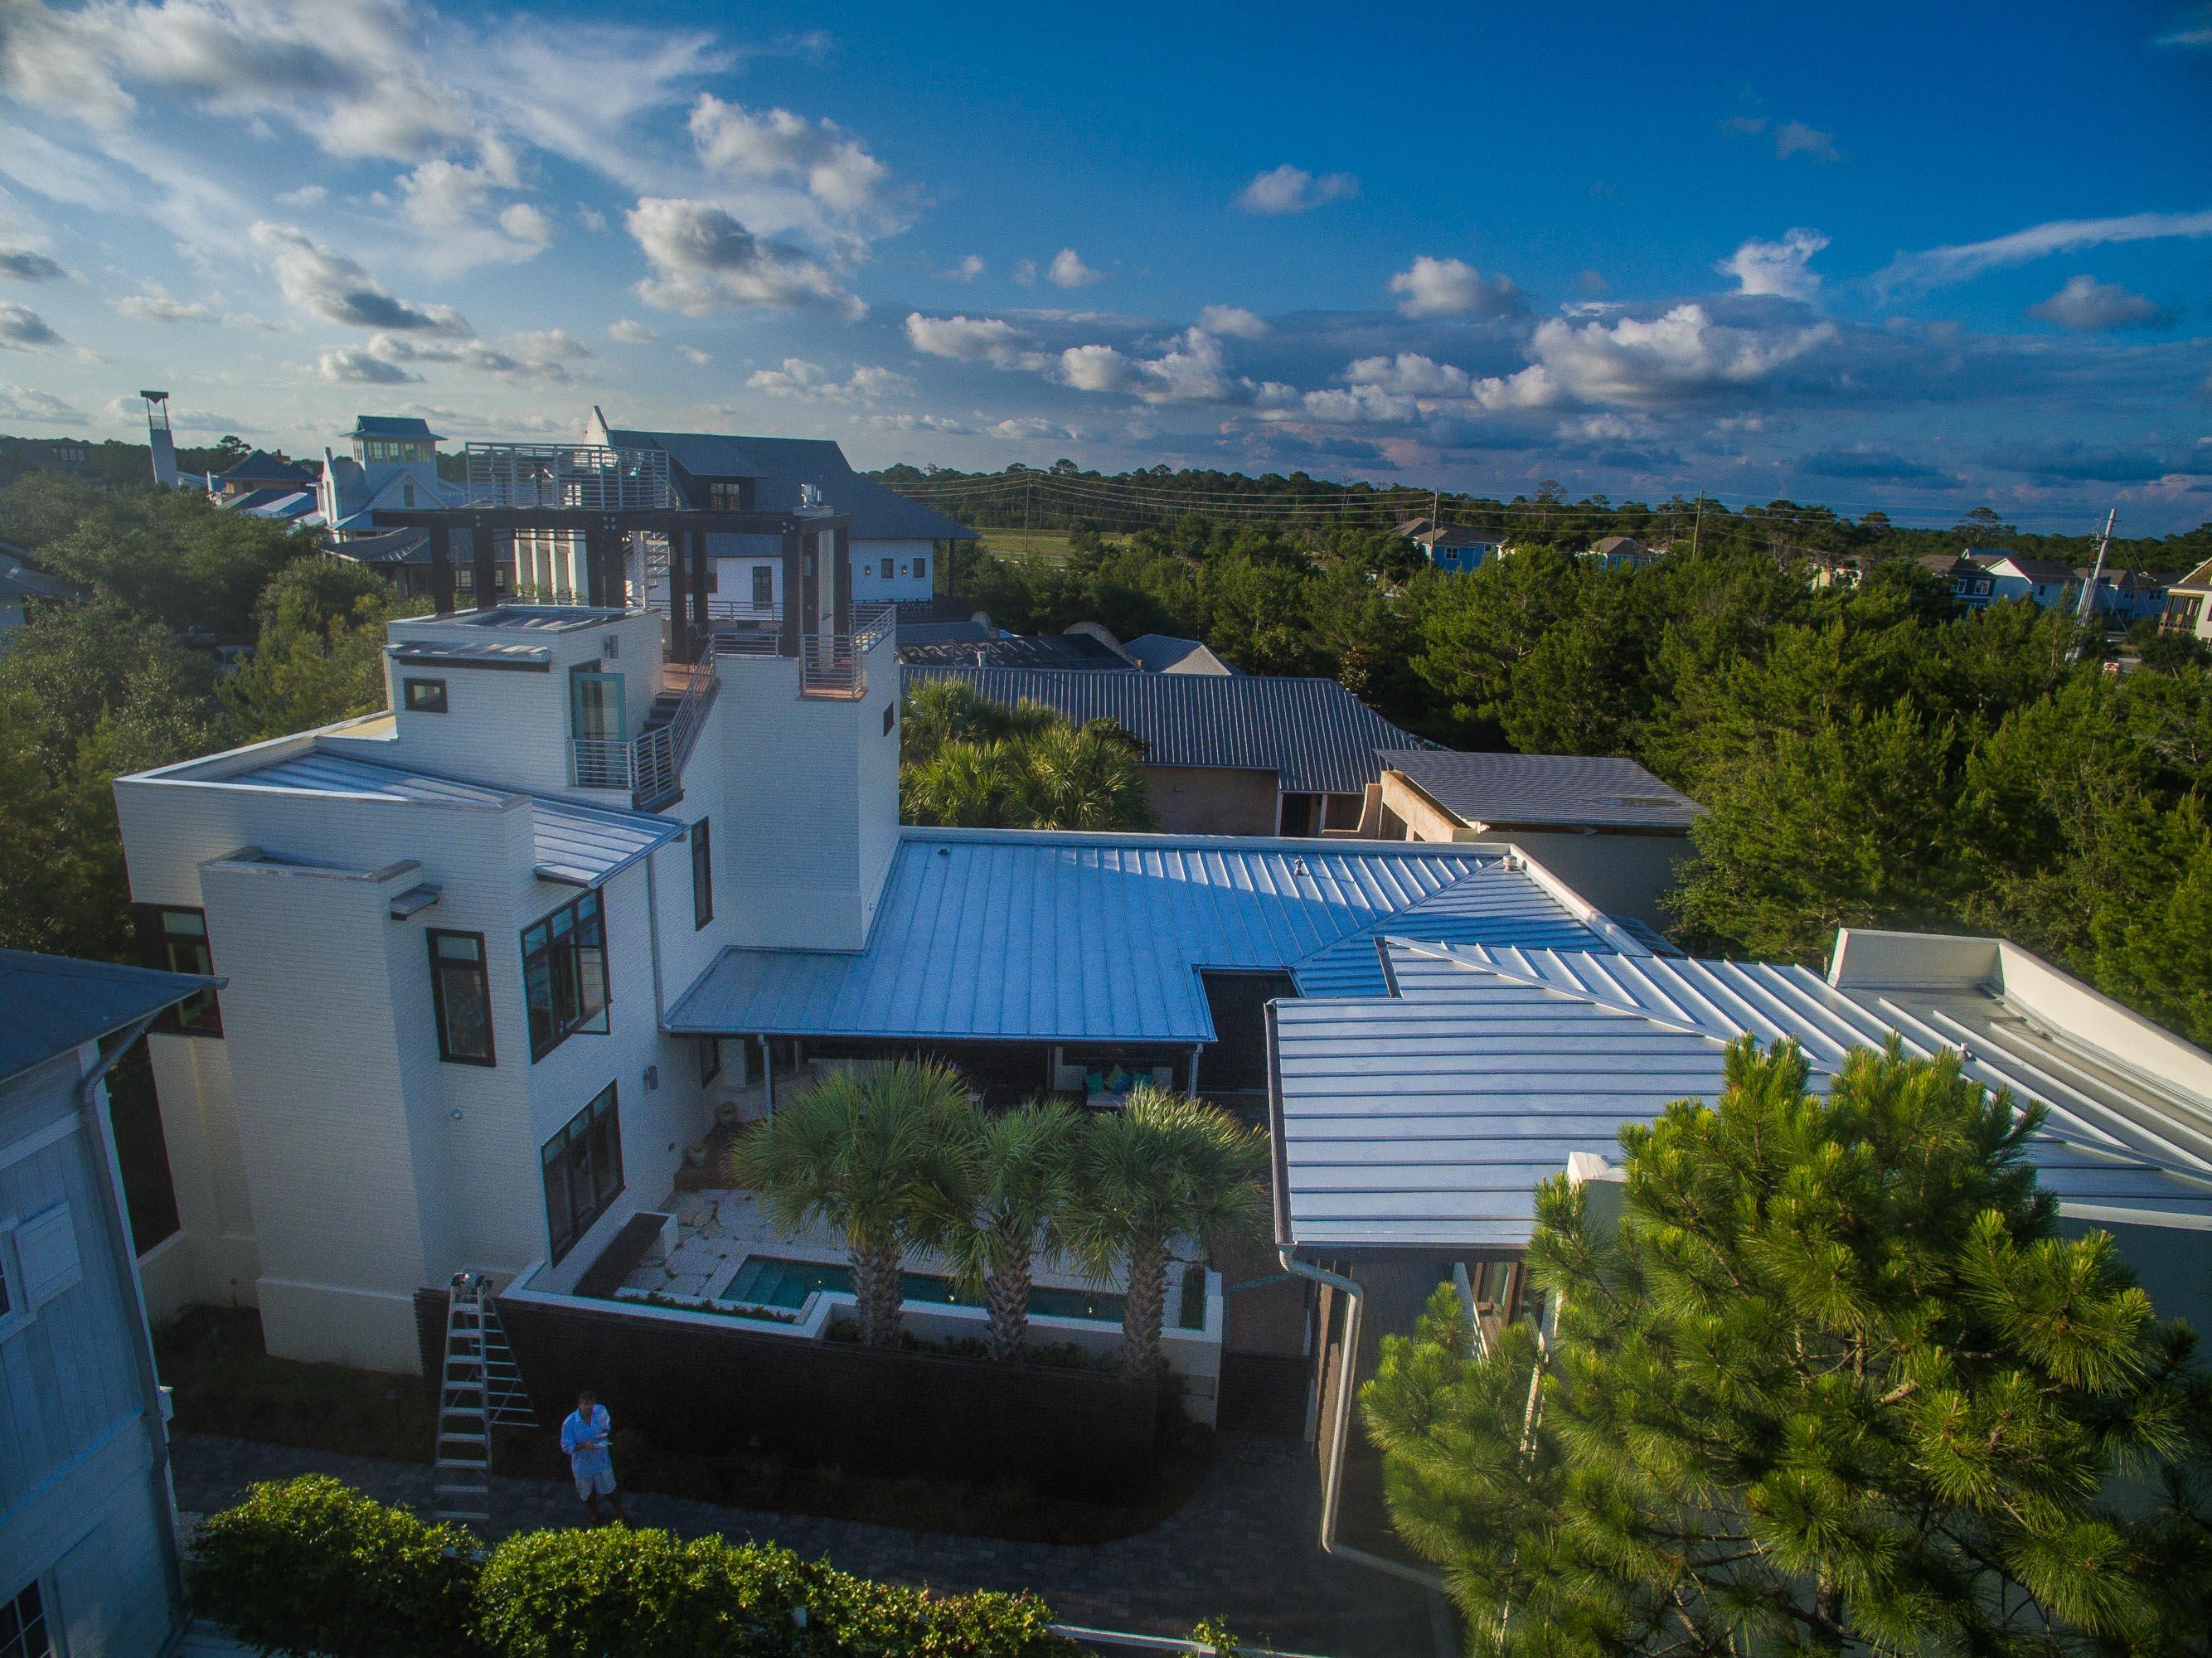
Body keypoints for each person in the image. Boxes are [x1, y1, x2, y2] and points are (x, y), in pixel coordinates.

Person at [559, 1389, 626, 1524]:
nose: (588, 1408)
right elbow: (566, 1447)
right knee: (588, 1492)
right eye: (585, 1404)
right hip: (583, 1465)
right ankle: (594, 1513)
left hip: (602, 1460)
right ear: (580, 1404)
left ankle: (621, 1514)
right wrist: (583, 1445)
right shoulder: (569, 1423)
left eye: (591, 1404)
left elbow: (606, 1425)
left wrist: (603, 1435)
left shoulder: (600, 1411)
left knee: (610, 1488)